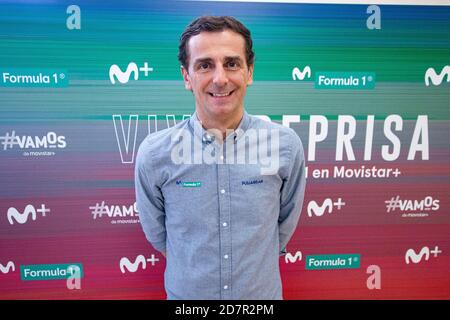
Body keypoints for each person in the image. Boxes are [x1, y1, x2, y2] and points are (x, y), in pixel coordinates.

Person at [135, 15, 306, 300]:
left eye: (231, 63)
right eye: (205, 65)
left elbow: (283, 226)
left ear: (249, 72)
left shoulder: (285, 146)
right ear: (186, 77)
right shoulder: (155, 154)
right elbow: (158, 235)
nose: (220, 78)